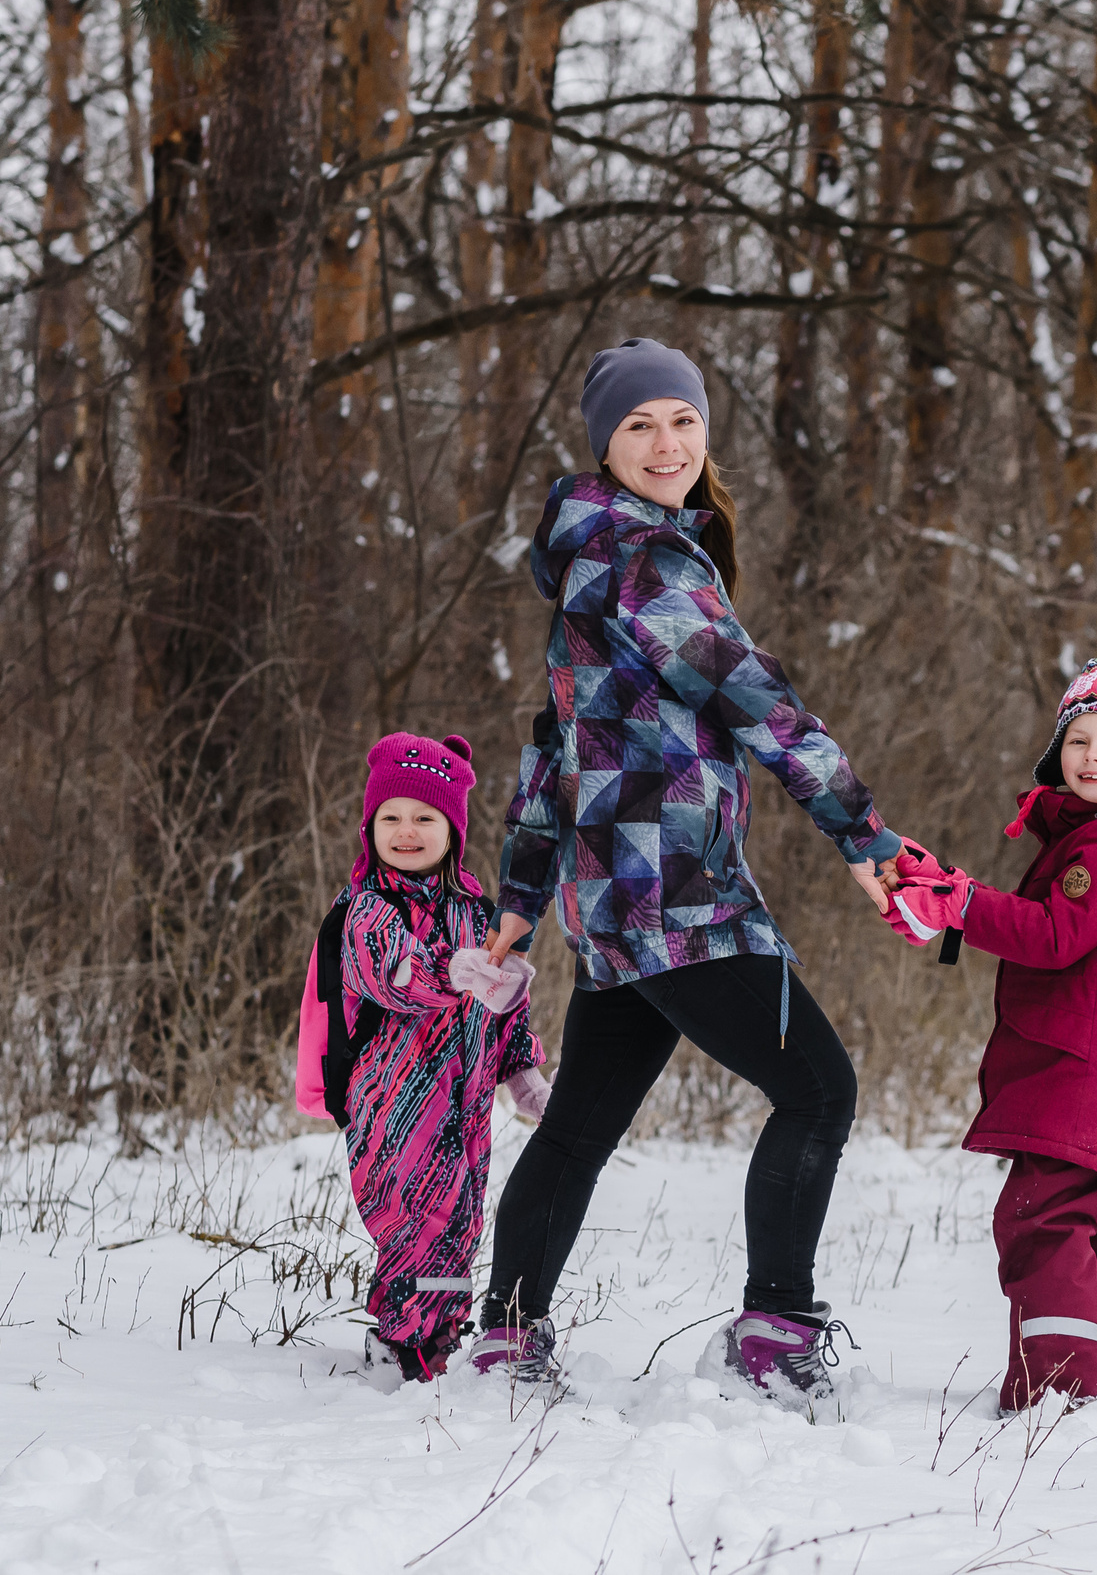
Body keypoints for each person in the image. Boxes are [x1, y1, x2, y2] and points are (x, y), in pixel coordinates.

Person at [468, 337, 902, 1420]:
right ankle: (775, 1333)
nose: (666, 444)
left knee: (579, 1125)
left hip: (619, 898)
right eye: (638, 426)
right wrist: (861, 832)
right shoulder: (644, 559)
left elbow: (550, 746)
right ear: (603, 444)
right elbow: (759, 701)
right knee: (819, 1090)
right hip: (673, 895)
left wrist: (525, 896)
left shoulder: (592, 554)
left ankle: (507, 1334)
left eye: (683, 421)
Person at [884, 653, 1097, 1412]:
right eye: (1080, 740)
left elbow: (1055, 935)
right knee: (1096, 1230)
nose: (1094, 757)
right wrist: (955, 893)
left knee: (1043, 1220)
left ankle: (1059, 1392)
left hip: (1087, 1075)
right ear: (1059, 750)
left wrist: (962, 902)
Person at [296, 731, 552, 1384]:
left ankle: (436, 1337)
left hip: (465, 1102)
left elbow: (505, 1006)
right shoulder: (367, 908)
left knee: (460, 1219)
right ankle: (405, 1346)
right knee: (414, 1218)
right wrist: (453, 970)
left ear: (452, 830)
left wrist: (523, 1071)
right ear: (370, 827)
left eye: (423, 818)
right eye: (391, 818)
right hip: (392, 1100)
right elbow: (392, 974)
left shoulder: (480, 913)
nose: (406, 831)